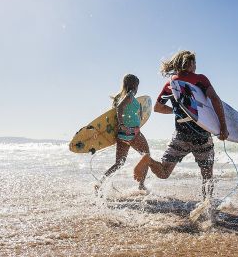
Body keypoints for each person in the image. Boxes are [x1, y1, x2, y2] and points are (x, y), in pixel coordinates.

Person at [133, 50, 229, 198]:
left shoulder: (170, 83)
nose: (196, 66)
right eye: (195, 63)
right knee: (207, 175)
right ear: (190, 64)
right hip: (201, 135)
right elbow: (215, 99)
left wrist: (178, 111)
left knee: (164, 172)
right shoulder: (200, 79)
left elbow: (158, 108)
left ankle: (148, 160)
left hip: (180, 135)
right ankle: (207, 206)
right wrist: (223, 127)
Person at [96, 74, 150, 192]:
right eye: (137, 85)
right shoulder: (130, 96)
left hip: (122, 136)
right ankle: (141, 186)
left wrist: (139, 111)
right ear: (134, 85)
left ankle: (100, 183)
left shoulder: (122, 97)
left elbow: (125, 111)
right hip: (133, 133)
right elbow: (120, 108)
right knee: (147, 156)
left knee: (119, 163)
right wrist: (122, 124)